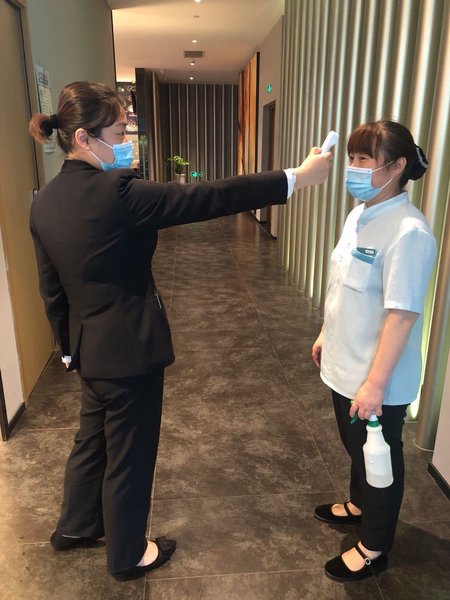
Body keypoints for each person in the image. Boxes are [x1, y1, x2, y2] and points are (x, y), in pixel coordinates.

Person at [28, 81, 331, 581]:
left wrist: (66, 348)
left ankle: (76, 527)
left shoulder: (44, 201)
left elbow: (51, 287)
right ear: (83, 138)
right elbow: (208, 196)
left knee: (92, 439)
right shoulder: (118, 192)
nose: (127, 143)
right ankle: (128, 554)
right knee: (129, 453)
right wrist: (295, 178)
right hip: (130, 350)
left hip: (88, 349)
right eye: (118, 133)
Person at [312, 120, 437, 582]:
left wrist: (375, 385)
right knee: (355, 447)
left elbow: (402, 315)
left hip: (375, 377)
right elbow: (342, 286)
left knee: (379, 458)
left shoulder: (409, 232)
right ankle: (358, 504)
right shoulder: (360, 215)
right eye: (352, 158)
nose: (354, 167)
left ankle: (374, 544)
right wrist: (325, 333)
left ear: (397, 166)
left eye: (364, 159)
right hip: (345, 363)